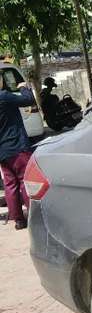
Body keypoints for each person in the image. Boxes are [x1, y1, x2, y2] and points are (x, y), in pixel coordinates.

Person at [0, 80, 37, 230]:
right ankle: (35, 216)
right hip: (16, 146)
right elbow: (28, 100)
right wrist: (24, 88)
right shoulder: (4, 96)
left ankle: (18, 220)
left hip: (2, 151)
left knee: (10, 184)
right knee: (25, 180)